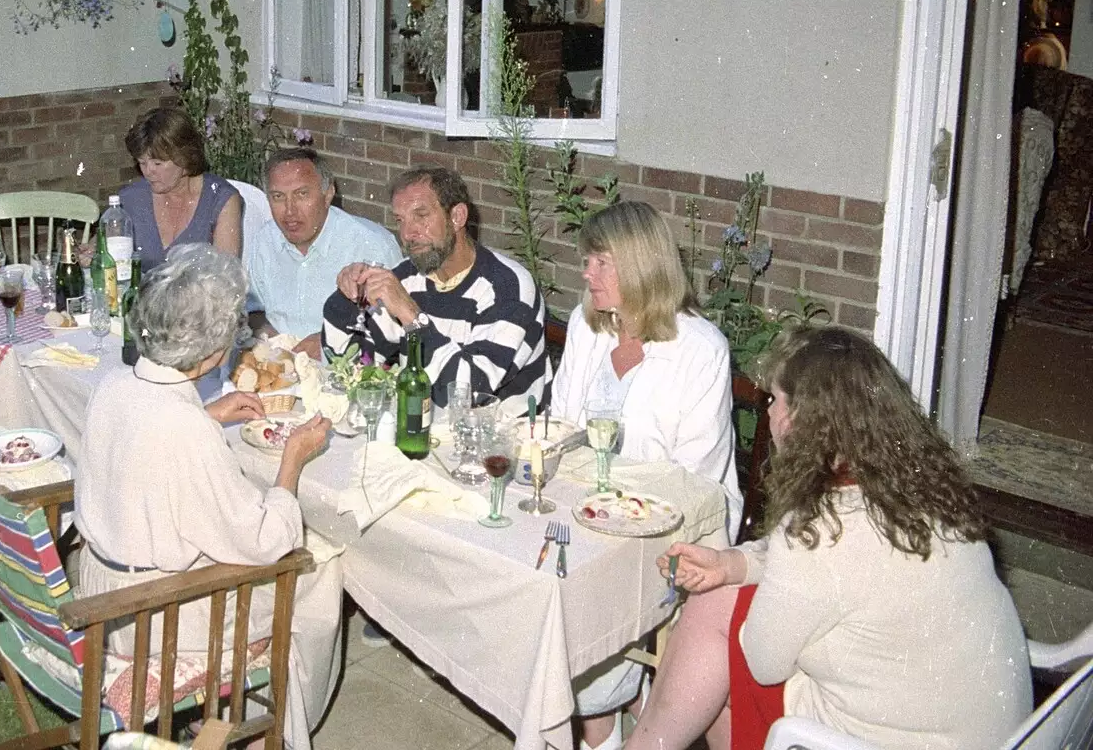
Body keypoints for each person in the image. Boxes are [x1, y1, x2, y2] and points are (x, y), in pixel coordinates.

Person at [623, 326, 1030, 750]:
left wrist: (742, 598)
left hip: (881, 739)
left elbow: (762, 662)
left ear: (802, 420)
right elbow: (842, 568)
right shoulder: (924, 492)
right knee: (725, 604)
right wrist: (735, 565)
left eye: (774, 399)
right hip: (984, 732)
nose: (768, 412)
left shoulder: (819, 528)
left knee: (716, 624)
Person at [77, 244, 341, 750]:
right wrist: (293, 460)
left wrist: (209, 413)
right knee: (317, 567)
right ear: (215, 350)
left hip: (101, 590)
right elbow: (265, 542)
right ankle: (281, 734)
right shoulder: (184, 429)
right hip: (155, 618)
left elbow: (150, 439)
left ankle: (215, 718)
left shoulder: (114, 384)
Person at [547, 200, 741, 750]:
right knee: (538, 571)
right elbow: (563, 423)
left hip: (675, 524)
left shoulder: (700, 350)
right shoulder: (590, 330)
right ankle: (611, 718)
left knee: (577, 596)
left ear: (640, 265)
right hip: (590, 504)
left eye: (600, 262)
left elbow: (694, 479)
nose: (587, 273)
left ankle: (606, 720)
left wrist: (606, 506)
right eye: (588, 260)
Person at [321, 166, 548, 406]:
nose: (408, 233)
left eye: (421, 216)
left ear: (457, 216)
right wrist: (348, 296)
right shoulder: (406, 277)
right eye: (401, 220)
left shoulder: (509, 286)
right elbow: (350, 366)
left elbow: (465, 393)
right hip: (424, 423)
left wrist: (412, 317)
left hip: (505, 434)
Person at [247, 147, 401, 359]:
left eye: (302, 194)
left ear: (328, 194)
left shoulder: (371, 244)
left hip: (347, 370)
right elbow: (253, 311)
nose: (290, 211)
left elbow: (394, 325)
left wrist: (328, 340)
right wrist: (272, 339)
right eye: (278, 196)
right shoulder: (264, 240)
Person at [116, 107, 243, 263]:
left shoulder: (221, 199)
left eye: (158, 163)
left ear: (184, 159)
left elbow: (225, 274)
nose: (148, 172)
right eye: (142, 162)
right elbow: (103, 245)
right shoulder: (131, 198)